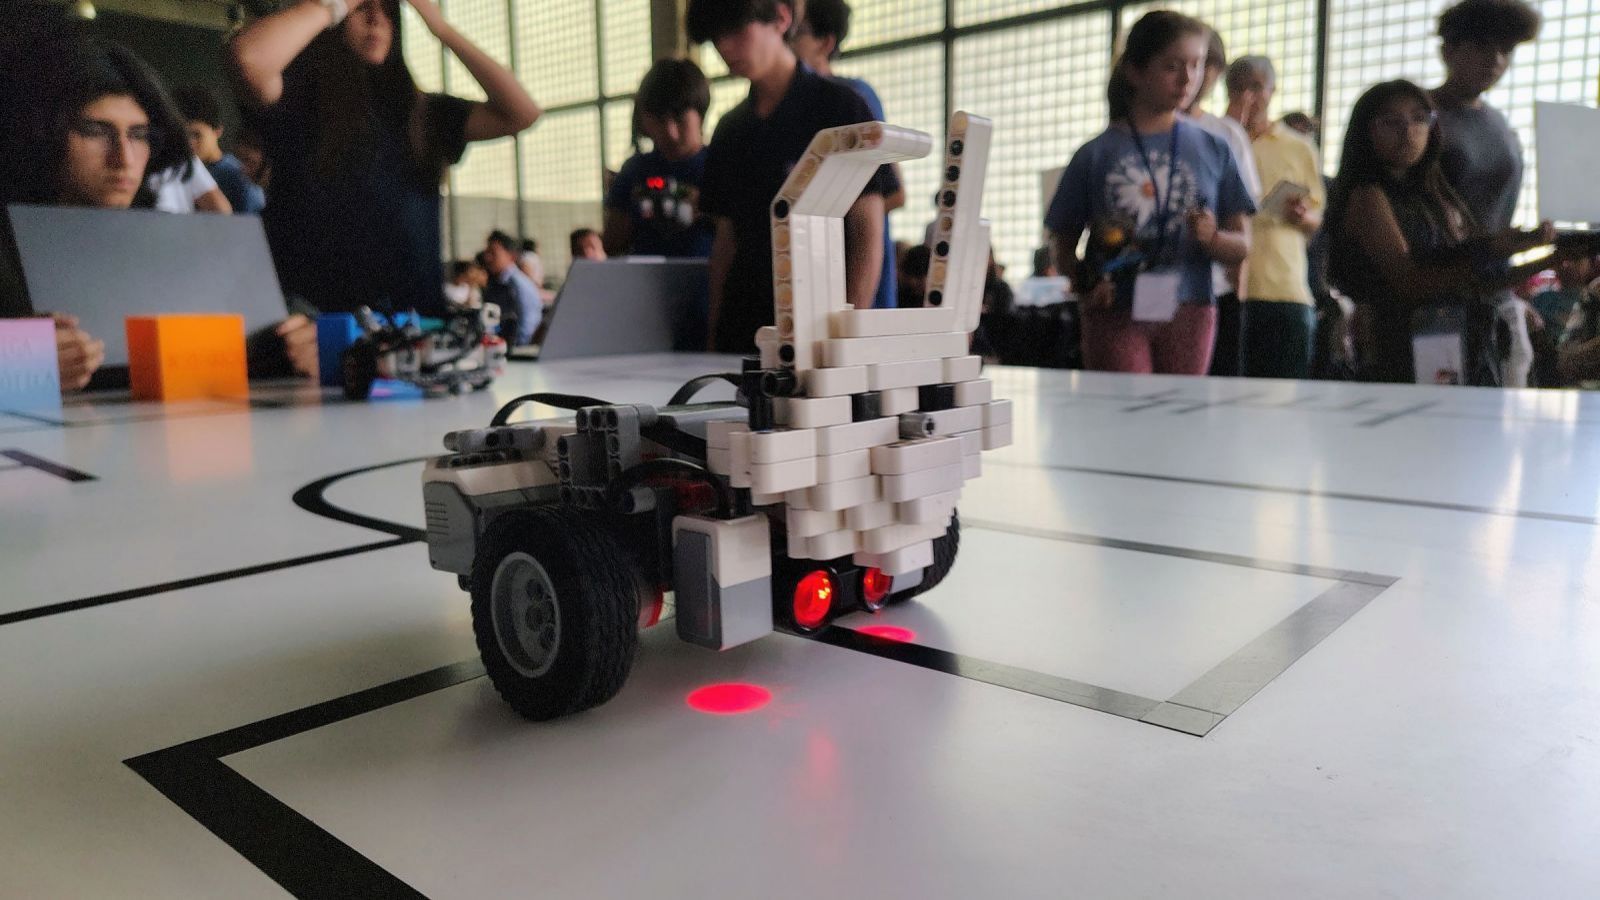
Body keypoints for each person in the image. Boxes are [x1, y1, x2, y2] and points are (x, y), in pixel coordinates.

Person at [0, 26, 309, 387]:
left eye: (139, 135)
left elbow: (276, 326)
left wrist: (308, 343)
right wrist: (18, 361)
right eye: (95, 131)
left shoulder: (168, 238)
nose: (124, 158)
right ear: (41, 132)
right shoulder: (11, 247)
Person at [230, 0, 541, 318]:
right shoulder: (302, 101)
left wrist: (440, 27)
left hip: (414, 327)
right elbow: (249, 58)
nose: (376, 18)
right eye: (362, 7)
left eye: (388, 9)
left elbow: (521, 112)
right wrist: (334, 6)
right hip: (323, 326)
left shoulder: (424, 114)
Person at [1047, 11, 1254, 376]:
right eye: (1172, 66)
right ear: (1135, 71)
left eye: (1196, 65)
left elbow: (1243, 245)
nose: (1188, 79)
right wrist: (1086, 281)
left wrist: (1213, 239)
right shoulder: (1096, 154)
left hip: (1191, 307)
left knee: (1180, 409)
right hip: (1114, 311)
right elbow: (1061, 244)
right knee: (1124, 408)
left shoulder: (1214, 148)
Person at [688, 0, 894, 352]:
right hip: (743, 332)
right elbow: (725, 241)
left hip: (819, 329)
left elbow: (867, 229)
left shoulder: (841, 108)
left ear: (781, 17)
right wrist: (713, 335)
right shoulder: (730, 130)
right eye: (716, 37)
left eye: (736, 30)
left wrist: (844, 337)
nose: (725, 47)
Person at [1325, 80, 1562, 385]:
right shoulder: (1367, 196)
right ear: (1366, 130)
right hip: (1393, 350)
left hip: (1452, 343)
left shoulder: (1436, 193)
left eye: (1419, 119)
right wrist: (1492, 248)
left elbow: (1481, 283)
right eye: (1391, 121)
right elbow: (1411, 282)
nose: (1408, 132)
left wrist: (1546, 256)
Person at [1431, 0, 1543, 386]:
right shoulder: (1419, 117)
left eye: (1505, 50)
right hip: (1435, 296)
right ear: (1448, 50)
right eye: (1481, 46)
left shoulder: (1500, 125)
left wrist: (1514, 292)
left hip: (1495, 296)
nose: (1495, 60)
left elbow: (1498, 217)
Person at [792, 0, 906, 309]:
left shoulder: (852, 97)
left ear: (825, 43)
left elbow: (895, 193)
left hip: (856, 281)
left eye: (797, 32)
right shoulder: (791, 107)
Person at [1226, 57, 1325, 379]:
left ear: (1273, 90)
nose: (1248, 96)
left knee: (1286, 391)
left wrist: (1302, 215)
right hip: (1227, 287)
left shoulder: (1298, 147)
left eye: (1257, 87)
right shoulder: (1217, 141)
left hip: (1285, 287)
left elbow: (1317, 217)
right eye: (1238, 87)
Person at [1187, 26, 1262, 377]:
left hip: (1215, 289)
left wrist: (1238, 292)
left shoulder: (1226, 134)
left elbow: (1241, 222)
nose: (1190, 76)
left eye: (1203, 65)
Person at [602, 59, 714, 260]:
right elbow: (610, 245)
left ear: (700, 112)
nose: (670, 133)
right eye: (660, 121)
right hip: (645, 278)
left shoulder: (722, 165)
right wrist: (631, 207)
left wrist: (710, 208)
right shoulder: (635, 171)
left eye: (680, 119)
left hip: (708, 278)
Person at [171, 85, 266, 214]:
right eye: (182, 136)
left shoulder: (239, 178)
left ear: (217, 131)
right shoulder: (177, 170)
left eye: (196, 135)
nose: (189, 143)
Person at [483, 231, 540, 346]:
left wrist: (516, 350)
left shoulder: (518, 285)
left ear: (511, 256)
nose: (488, 258)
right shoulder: (496, 282)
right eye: (487, 252)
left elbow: (528, 326)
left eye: (493, 253)